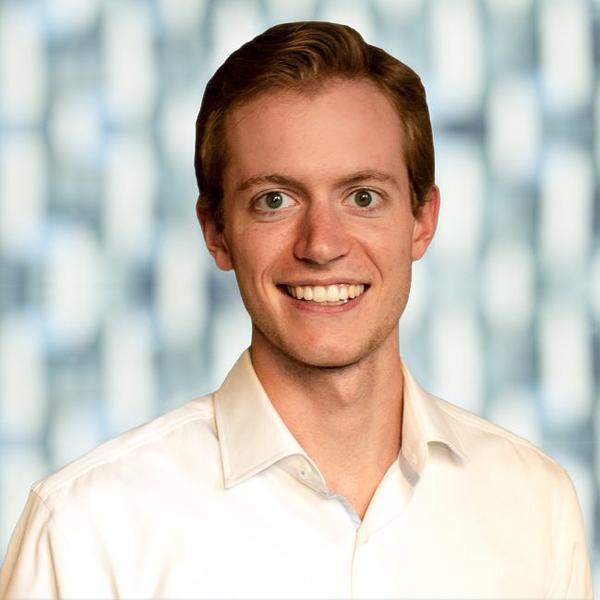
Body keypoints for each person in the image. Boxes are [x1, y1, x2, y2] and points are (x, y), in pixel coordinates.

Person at [0, 21, 592, 599]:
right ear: (216, 231)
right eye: (275, 200)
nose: (322, 245)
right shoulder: (85, 530)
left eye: (363, 197)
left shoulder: (534, 504)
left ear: (422, 219)